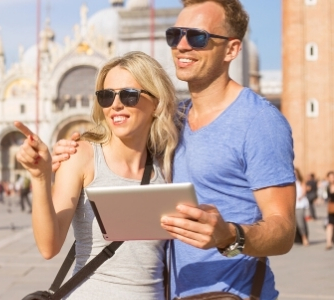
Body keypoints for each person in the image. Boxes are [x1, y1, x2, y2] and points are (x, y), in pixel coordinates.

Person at [52, 1, 296, 298]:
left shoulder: (259, 121)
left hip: (232, 293)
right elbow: (118, 143)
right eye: (175, 35)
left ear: (231, 50)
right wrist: (71, 150)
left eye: (197, 37)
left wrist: (230, 235)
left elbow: (283, 230)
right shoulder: (173, 120)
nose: (182, 45)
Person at [15, 51, 179, 299]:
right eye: (106, 96)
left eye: (129, 95)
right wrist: (40, 177)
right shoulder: (83, 156)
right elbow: (48, 246)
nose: (115, 105)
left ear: (156, 103)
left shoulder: (167, 165)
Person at [294, 168, 309, 246]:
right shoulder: (291, 183)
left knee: (300, 223)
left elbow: (304, 192)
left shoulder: (301, 183)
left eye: (296, 173)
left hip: (299, 205)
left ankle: (304, 238)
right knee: (294, 224)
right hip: (292, 206)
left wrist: (299, 197)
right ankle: (296, 239)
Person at [325, 171, 334, 250]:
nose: (332, 179)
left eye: (333, 177)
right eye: (330, 177)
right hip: (331, 209)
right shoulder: (327, 187)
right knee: (329, 225)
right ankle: (328, 243)